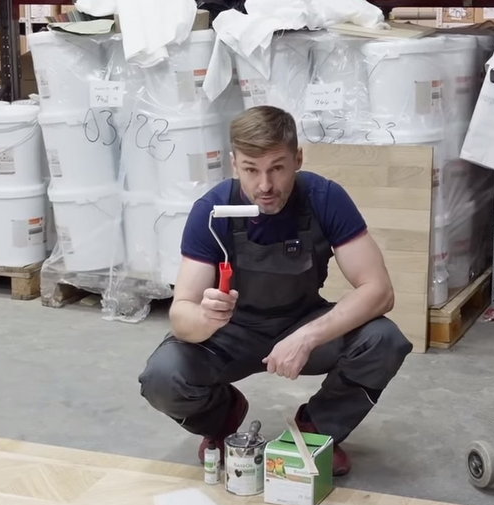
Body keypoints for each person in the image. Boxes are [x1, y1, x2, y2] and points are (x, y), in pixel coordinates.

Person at [137, 105, 413, 476]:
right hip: (230, 332)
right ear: (234, 164)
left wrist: (307, 337)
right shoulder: (212, 211)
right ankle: (221, 418)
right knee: (162, 377)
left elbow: (379, 291)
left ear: (298, 159)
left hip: (301, 321)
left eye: (277, 168)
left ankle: (316, 430)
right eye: (251, 170)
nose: (265, 186)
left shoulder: (324, 198)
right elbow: (181, 315)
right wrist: (204, 317)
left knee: (384, 340)